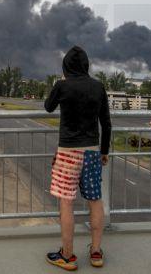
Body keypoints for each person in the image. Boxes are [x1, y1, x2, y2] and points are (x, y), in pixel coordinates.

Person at [44, 45, 111, 271]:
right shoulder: (98, 86)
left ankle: (68, 256)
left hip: (68, 153)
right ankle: (95, 252)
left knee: (66, 202)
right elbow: (106, 123)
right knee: (95, 201)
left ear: (66, 66)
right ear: (86, 65)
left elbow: (48, 107)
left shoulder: (62, 85)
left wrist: (61, 81)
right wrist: (104, 151)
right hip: (92, 151)